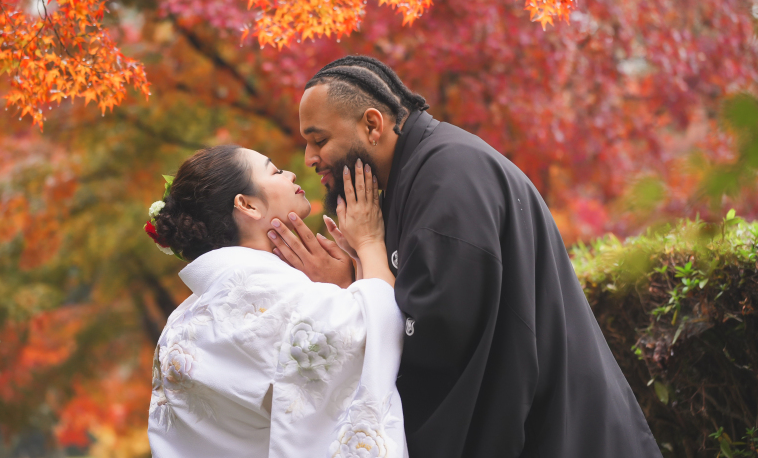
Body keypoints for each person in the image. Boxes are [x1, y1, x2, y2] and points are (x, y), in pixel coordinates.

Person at [270, 55, 663, 457]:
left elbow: (437, 346)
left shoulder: (448, 182)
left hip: (565, 435)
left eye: (319, 140)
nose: (309, 159)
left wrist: (361, 275)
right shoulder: (425, 174)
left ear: (372, 125)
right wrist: (358, 280)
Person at [145, 145, 408, 458]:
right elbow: (378, 329)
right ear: (247, 205)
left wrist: (347, 282)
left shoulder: (184, 316)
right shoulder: (258, 294)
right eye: (274, 171)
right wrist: (368, 241)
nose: (291, 173)